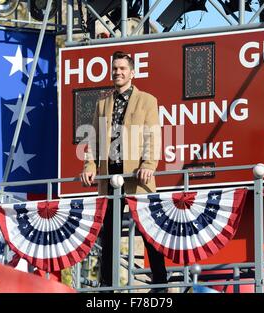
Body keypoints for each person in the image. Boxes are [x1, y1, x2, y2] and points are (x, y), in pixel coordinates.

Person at [80, 51, 168, 292]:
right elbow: (94, 140)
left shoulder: (147, 100)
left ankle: (160, 282)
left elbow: (153, 135)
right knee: (109, 229)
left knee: (147, 227)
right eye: (115, 68)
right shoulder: (102, 104)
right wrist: (89, 166)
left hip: (137, 176)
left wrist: (149, 165)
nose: (118, 72)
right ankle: (107, 283)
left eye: (122, 68)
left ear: (132, 72)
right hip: (110, 176)